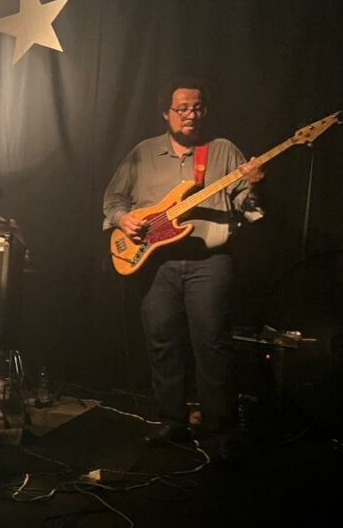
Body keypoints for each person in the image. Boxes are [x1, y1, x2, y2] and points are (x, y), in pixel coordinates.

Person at [102, 78, 264, 460]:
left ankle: (221, 430)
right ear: (166, 113)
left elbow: (248, 206)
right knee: (162, 341)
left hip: (210, 261)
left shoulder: (223, 150)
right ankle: (171, 420)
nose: (191, 114)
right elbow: (113, 199)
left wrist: (255, 186)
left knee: (212, 344)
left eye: (197, 108)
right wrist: (124, 220)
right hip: (156, 263)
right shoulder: (143, 152)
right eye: (182, 108)